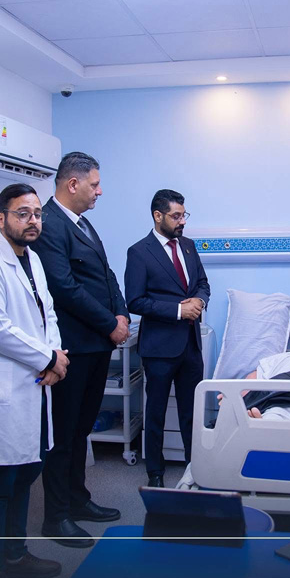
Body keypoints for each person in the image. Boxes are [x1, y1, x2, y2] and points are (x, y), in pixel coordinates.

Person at [0, 183, 68, 578]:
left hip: (36, 381)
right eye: (23, 214)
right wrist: (48, 358)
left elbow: (48, 315)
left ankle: (15, 555)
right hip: (5, 385)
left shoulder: (33, 259)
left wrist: (55, 356)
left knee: (26, 471)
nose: (32, 220)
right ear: (1, 218)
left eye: (37, 213)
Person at [31, 152, 129, 547]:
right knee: (64, 435)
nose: (99, 191)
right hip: (72, 349)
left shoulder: (82, 223)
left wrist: (121, 315)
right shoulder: (50, 225)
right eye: (94, 184)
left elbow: (106, 275)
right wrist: (110, 324)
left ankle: (78, 499)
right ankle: (55, 517)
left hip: (97, 346)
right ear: (73, 184)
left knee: (82, 429)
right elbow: (64, 288)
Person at [125, 189, 210, 488]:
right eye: (176, 216)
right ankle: (155, 472)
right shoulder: (139, 252)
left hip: (190, 345)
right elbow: (135, 301)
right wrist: (178, 310)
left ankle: (194, 468)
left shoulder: (188, 246)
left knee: (191, 412)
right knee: (156, 413)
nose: (182, 221)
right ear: (157, 215)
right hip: (159, 347)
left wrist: (199, 301)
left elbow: (202, 283)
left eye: (184, 215)